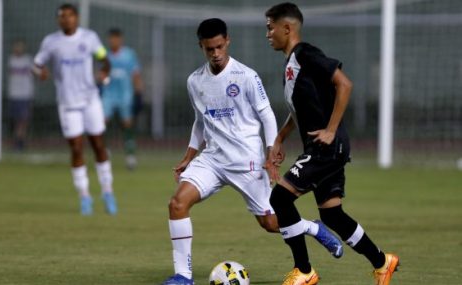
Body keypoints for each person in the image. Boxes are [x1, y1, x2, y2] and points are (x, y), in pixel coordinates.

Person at [161, 18, 343, 285]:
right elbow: (200, 122)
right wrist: (189, 156)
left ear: (227, 41)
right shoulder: (195, 81)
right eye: (209, 49)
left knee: (270, 223)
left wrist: (271, 154)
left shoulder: (246, 76)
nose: (216, 53)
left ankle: (313, 228)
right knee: (177, 204)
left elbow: (267, 116)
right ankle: (183, 276)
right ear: (201, 46)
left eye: (220, 46)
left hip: (247, 161)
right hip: (212, 160)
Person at [264, 3, 399, 285]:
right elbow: (298, 110)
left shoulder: (305, 53)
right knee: (332, 215)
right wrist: (279, 138)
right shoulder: (291, 63)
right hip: (325, 148)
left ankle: (304, 271)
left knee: (279, 198)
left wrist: (331, 129)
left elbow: (345, 84)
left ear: (286, 28)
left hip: (327, 148)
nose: (268, 34)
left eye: (270, 27)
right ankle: (382, 262)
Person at [33, 3, 117, 216]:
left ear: (76, 18)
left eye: (70, 16)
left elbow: (103, 58)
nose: (67, 19)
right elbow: (37, 64)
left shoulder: (89, 38)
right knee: (77, 148)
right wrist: (39, 72)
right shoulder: (51, 42)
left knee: (98, 145)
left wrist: (105, 72)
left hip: (90, 100)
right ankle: (85, 195)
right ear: (58, 20)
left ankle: (107, 191)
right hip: (68, 104)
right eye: (62, 16)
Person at [102, 28, 145, 170]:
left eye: (116, 38)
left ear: (120, 39)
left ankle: (130, 157)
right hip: (108, 94)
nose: (113, 41)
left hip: (125, 94)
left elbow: (136, 74)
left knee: (127, 124)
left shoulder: (129, 55)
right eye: (111, 38)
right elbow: (102, 75)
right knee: (103, 122)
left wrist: (139, 93)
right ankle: (104, 153)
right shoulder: (105, 56)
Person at [7, 40, 34, 151]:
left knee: (23, 120)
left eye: (20, 46)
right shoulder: (11, 60)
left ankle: (20, 143)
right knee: (16, 121)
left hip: (25, 95)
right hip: (14, 95)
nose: (18, 48)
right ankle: (18, 142)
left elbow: (36, 73)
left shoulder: (28, 60)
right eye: (16, 46)